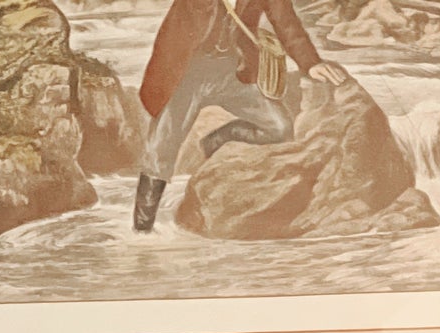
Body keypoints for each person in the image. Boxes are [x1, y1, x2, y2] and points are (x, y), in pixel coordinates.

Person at [132, 0, 345, 232]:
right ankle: (142, 230)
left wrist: (311, 63)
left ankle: (216, 142)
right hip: (188, 73)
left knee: (279, 126)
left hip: (234, 73)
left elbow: (286, 23)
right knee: (160, 148)